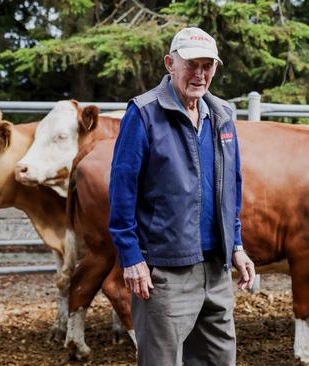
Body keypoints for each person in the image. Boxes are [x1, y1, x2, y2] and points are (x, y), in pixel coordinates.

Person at [108, 26, 256, 366]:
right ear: (170, 63)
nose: (200, 74)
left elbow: (230, 186)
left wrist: (236, 245)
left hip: (216, 270)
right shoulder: (143, 113)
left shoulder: (222, 115)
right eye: (191, 64)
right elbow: (121, 190)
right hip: (164, 271)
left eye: (208, 65)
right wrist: (131, 258)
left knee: (219, 360)